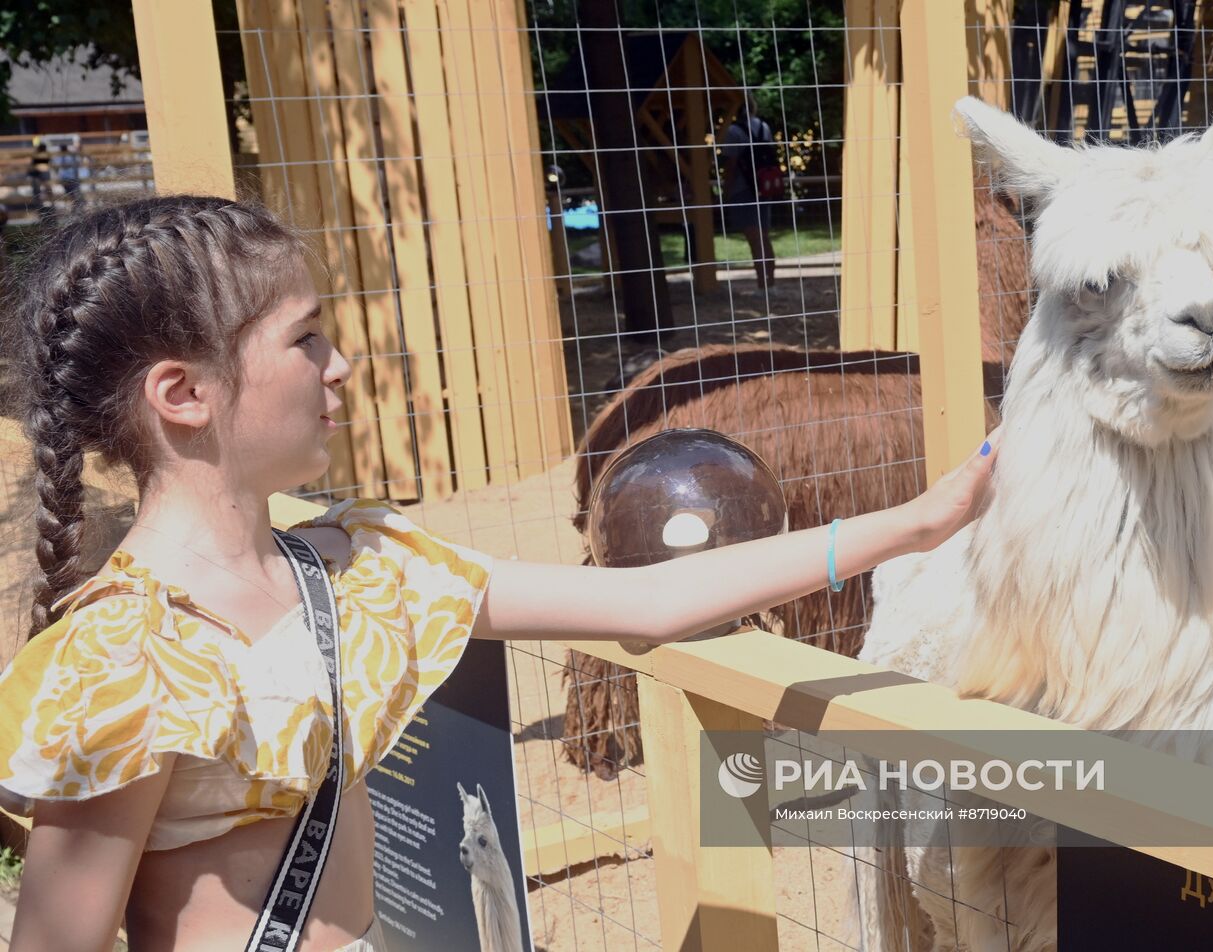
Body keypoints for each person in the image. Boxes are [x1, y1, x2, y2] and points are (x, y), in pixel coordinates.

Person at [0, 196, 998, 952]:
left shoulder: (362, 569)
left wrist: (910, 525)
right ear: (182, 393)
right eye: (305, 338)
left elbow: (645, 599)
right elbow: (58, 938)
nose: (339, 364)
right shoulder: (123, 664)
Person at [721, 95, 779, 290]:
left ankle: (763, 286)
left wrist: (725, 192)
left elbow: (731, 165)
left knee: (755, 240)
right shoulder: (764, 127)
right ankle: (769, 283)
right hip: (764, 188)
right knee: (763, 237)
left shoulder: (733, 131)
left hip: (742, 190)